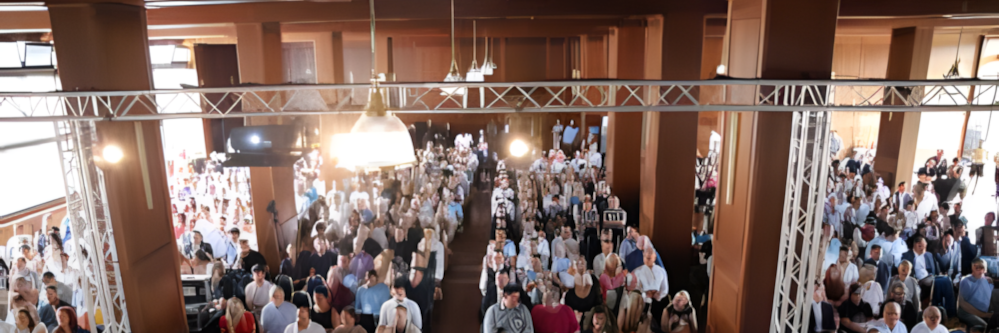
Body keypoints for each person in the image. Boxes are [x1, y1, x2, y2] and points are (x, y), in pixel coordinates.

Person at [957, 259, 994, 329]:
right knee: (984, 326)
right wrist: (984, 315)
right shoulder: (966, 282)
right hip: (967, 313)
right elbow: (963, 305)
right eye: (977, 268)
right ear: (972, 268)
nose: (980, 271)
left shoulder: (986, 280)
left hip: (983, 312)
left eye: (982, 268)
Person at [901, 235, 937, 301]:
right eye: (920, 246)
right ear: (915, 245)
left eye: (924, 246)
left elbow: (935, 270)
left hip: (928, 277)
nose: (923, 248)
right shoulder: (907, 255)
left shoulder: (929, 255)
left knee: (941, 281)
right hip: (914, 279)